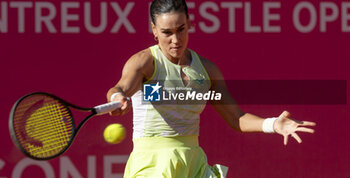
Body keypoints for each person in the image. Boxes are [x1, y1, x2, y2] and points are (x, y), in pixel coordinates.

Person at [106, 0, 316, 177]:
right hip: (152, 164)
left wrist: (272, 124)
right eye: (166, 32)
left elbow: (236, 118)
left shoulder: (206, 70)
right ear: (154, 30)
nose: (176, 40)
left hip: (193, 163)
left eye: (181, 29)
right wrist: (118, 97)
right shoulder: (145, 62)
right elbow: (121, 87)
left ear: (188, 23)